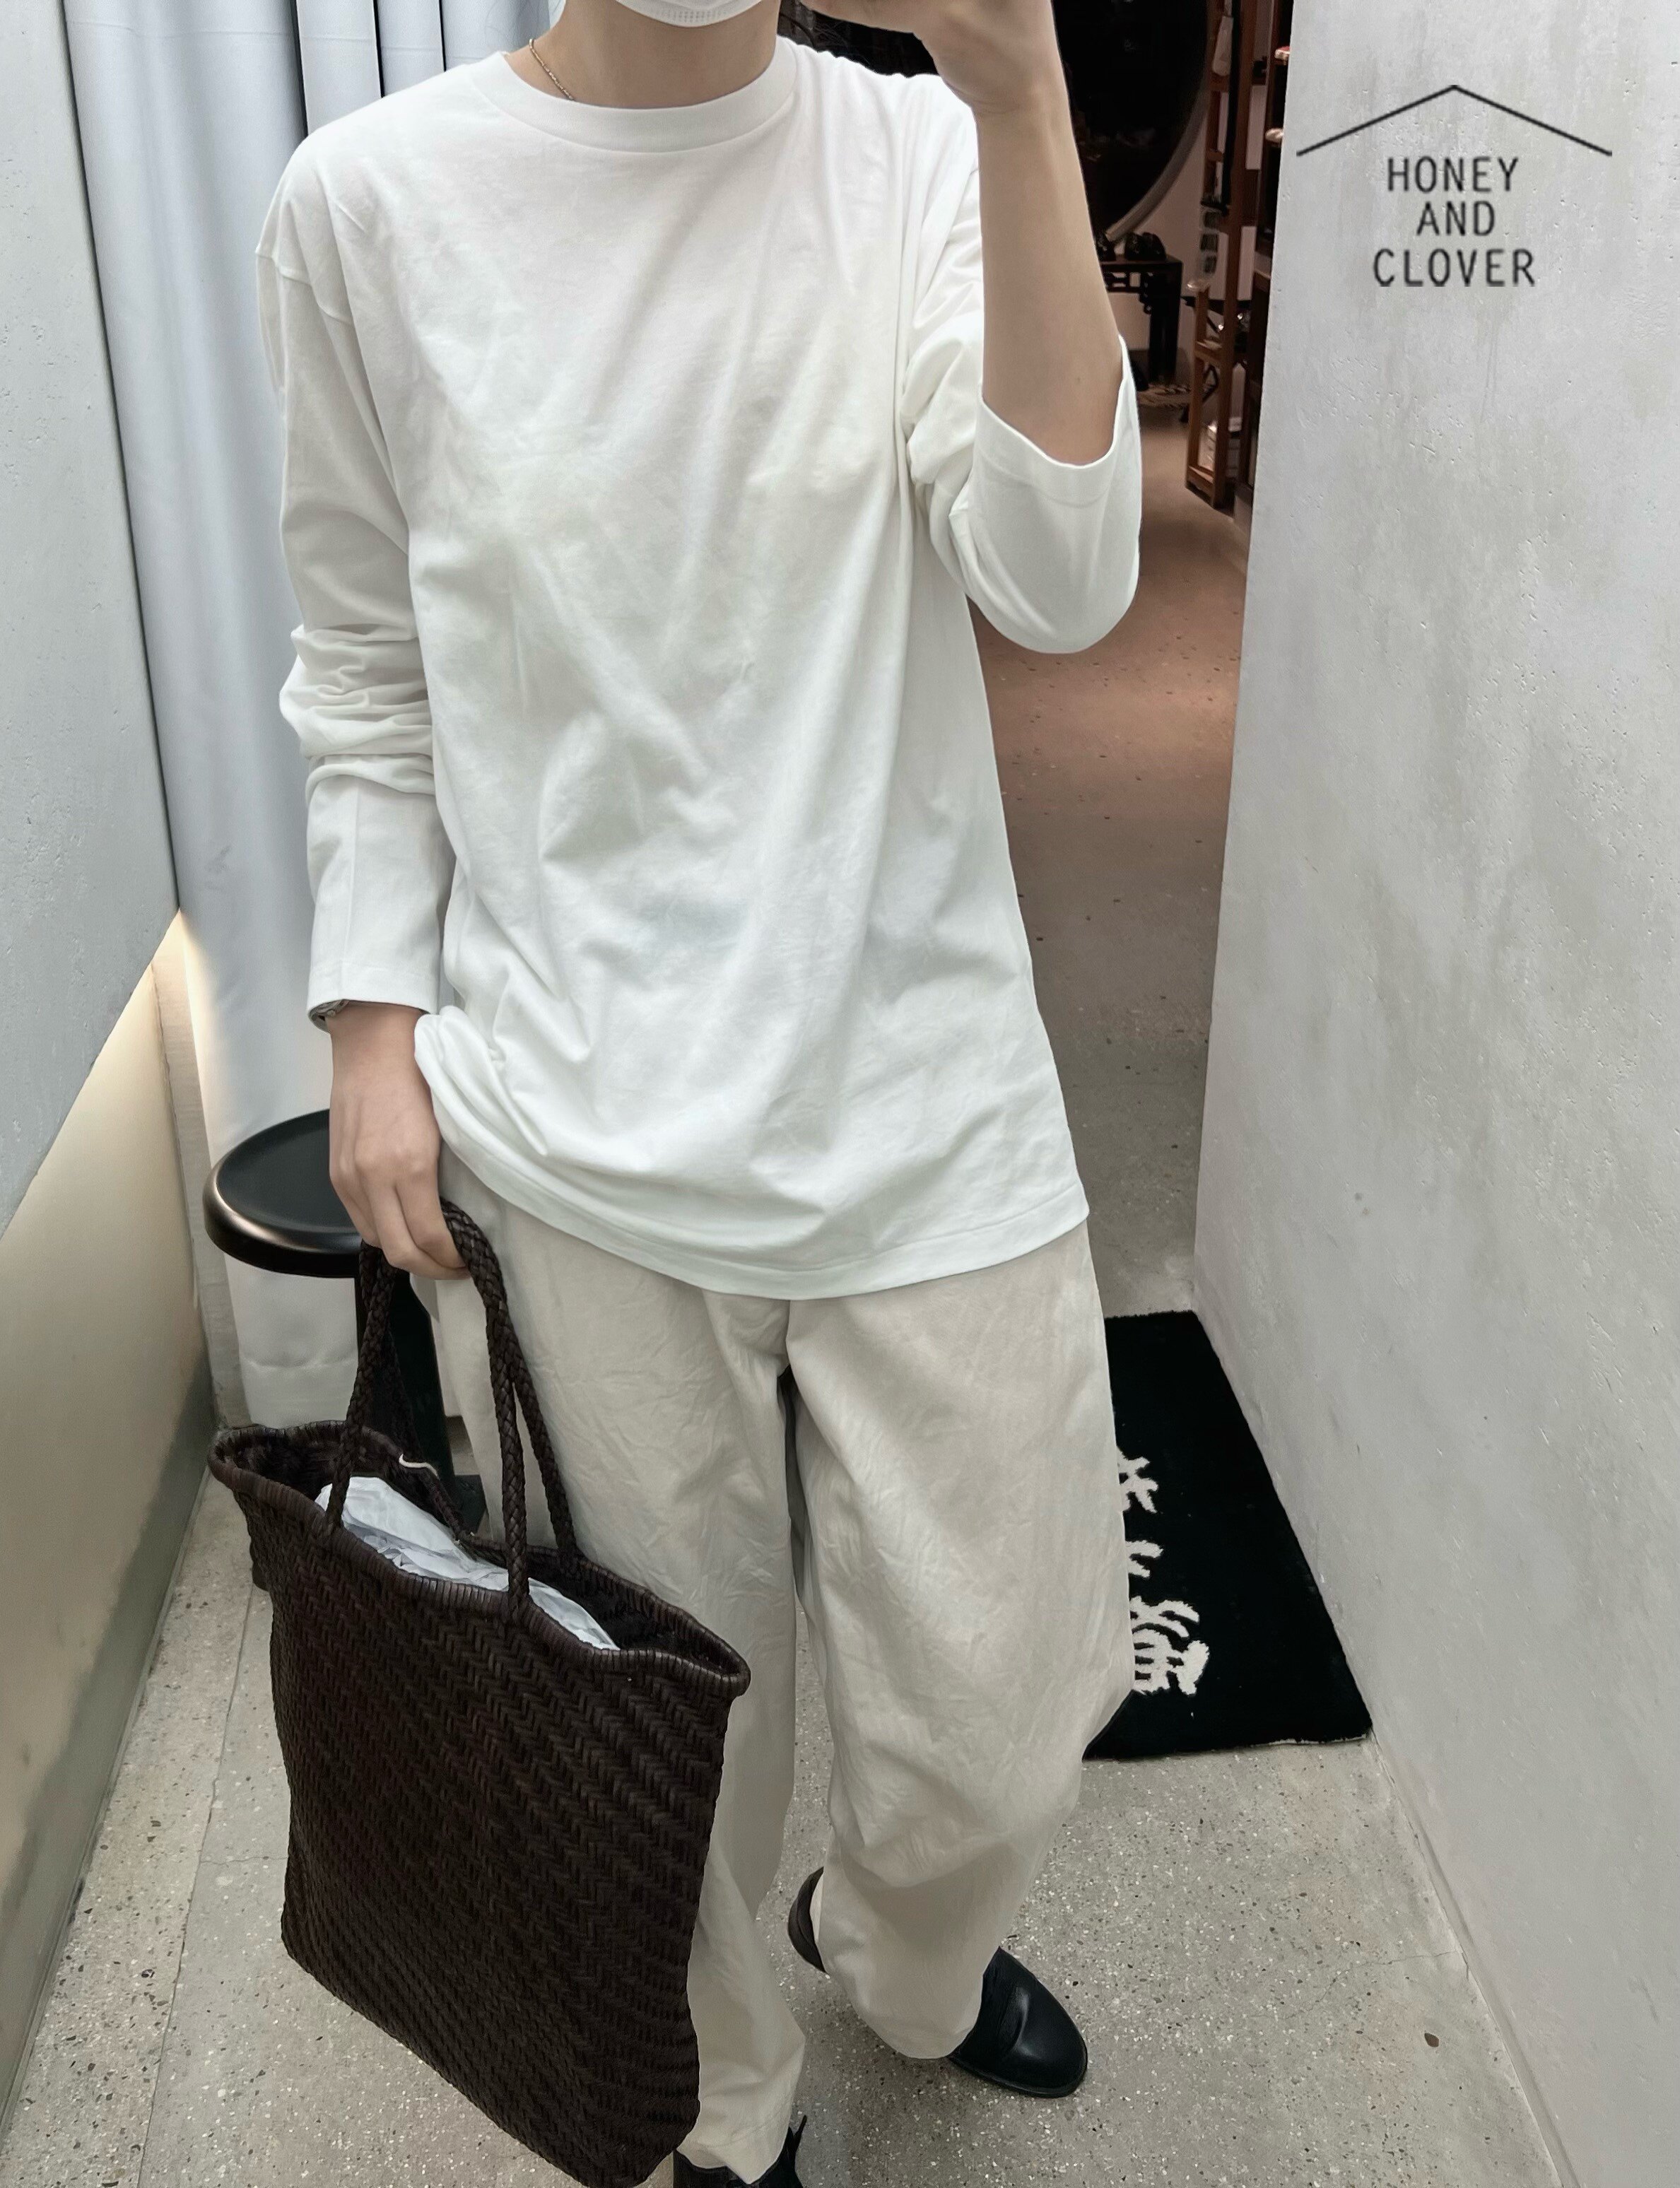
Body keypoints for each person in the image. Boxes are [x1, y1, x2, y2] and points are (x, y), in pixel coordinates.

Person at [256, 0, 1141, 2175]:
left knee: (1008, 1710)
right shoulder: (367, 205)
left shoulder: (920, 156)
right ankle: (730, 2098)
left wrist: (1018, 90)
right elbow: (363, 657)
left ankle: (904, 1946)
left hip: (922, 1095)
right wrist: (371, 1025)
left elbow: (1060, 584)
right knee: (663, 1735)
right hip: (575, 1131)